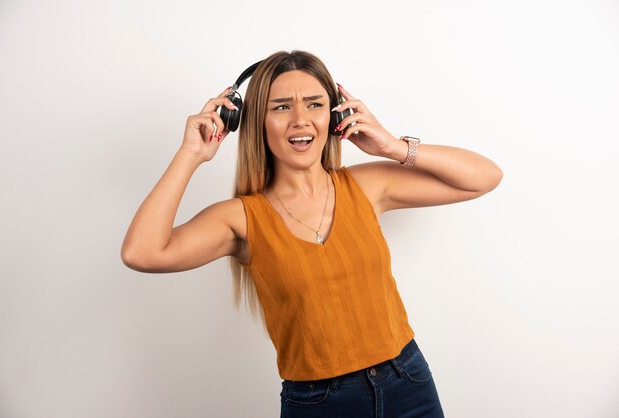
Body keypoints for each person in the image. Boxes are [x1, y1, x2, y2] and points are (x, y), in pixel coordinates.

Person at [121, 49, 503, 418]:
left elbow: (485, 177)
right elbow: (142, 252)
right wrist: (190, 155)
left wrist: (393, 146)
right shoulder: (241, 219)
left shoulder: (366, 186)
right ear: (255, 121)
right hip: (321, 404)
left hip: (408, 383)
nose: (300, 119)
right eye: (281, 106)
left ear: (335, 117)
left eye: (315, 104)